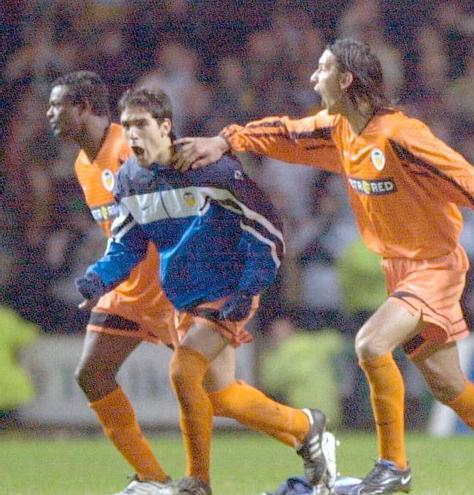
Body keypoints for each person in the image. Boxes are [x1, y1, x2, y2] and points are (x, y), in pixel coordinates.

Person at [173, 38, 474, 495]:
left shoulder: (401, 135)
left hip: (435, 266)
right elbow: (285, 133)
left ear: (346, 78)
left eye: (322, 69)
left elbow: (464, 178)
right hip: (400, 268)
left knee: (371, 345)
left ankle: (394, 465)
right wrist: (226, 140)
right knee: (447, 383)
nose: (314, 78)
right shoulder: (338, 129)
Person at [75, 87, 334, 495]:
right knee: (222, 396)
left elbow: (266, 229)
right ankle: (306, 426)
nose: (133, 135)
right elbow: (127, 243)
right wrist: (99, 277)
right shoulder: (130, 180)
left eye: (142, 125)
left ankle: (197, 482)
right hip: (185, 296)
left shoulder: (209, 168)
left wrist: (248, 291)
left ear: (165, 126)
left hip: (228, 290)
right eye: (126, 127)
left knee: (183, 370)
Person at [47, 71, 177, 495]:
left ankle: (304, 431)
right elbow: (119, 234)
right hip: (127, 292)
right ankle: (154, 480)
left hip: (172, 288)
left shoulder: (128, 144)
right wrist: (104, 278)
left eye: (57, 106)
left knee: (221, 392)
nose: (50, 114)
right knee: (93, 374)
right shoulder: (82, 165)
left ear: (83, 107)